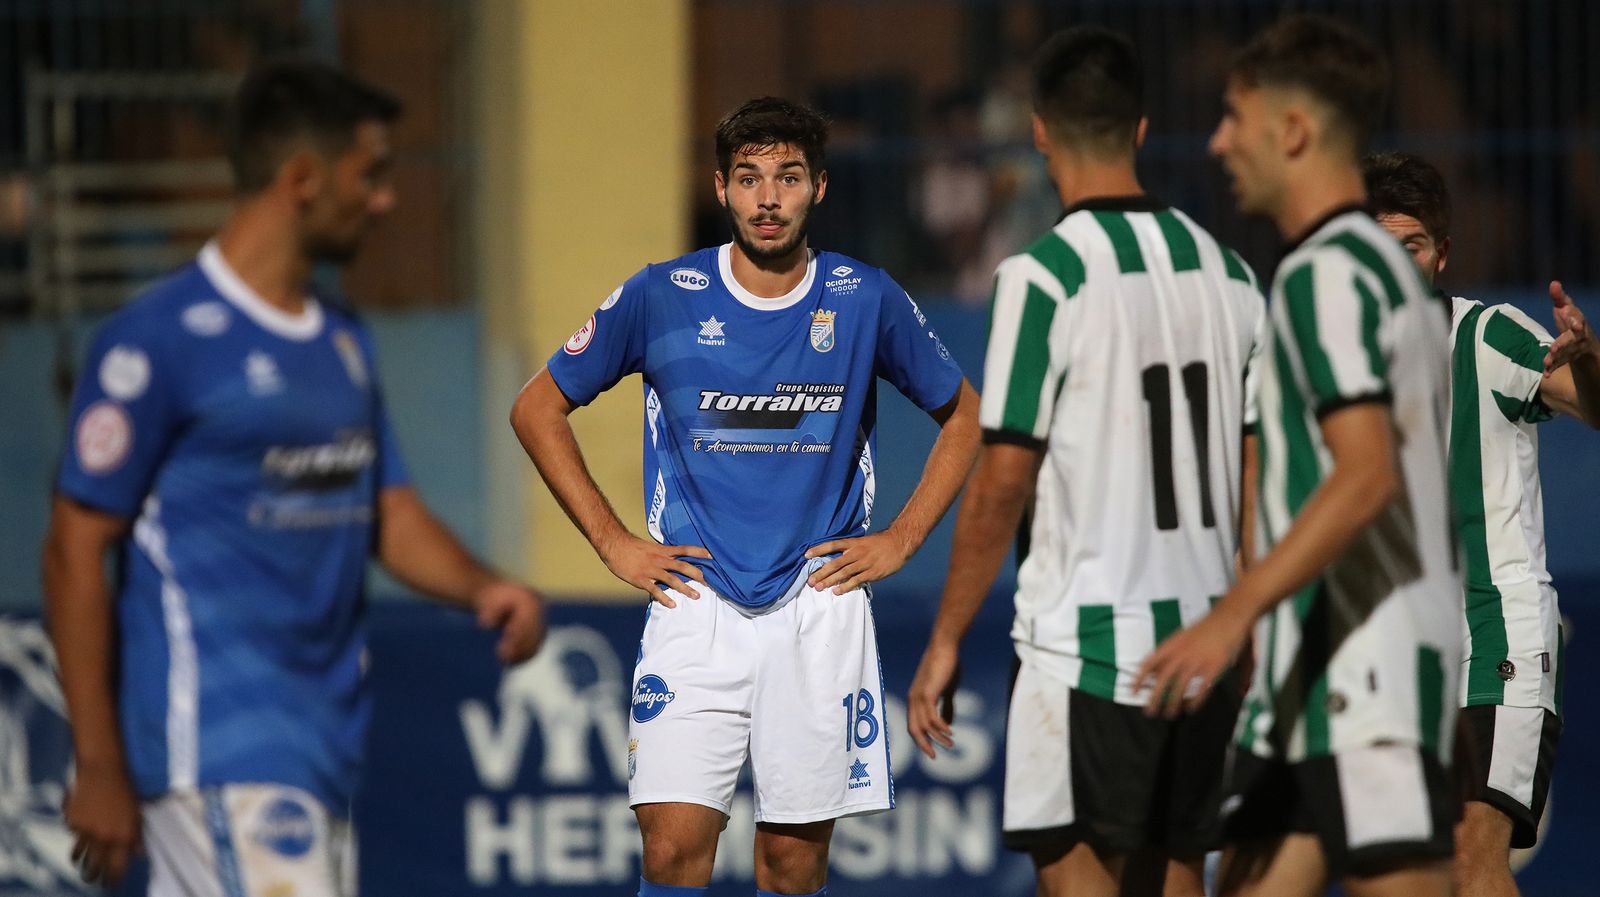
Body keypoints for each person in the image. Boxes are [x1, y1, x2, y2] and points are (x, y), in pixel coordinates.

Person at [42, 60, 546, 896]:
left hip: (320, 751)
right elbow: (72, 549)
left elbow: (386, 509)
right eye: (371, 175)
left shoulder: (341, 340)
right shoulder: (157, 342)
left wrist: (485, 587)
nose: (386, 199)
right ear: (302, 179)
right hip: (218, 745)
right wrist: (97, 761)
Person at [510, 96, 979, 897]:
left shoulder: (863, 297)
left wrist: (901, 537)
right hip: (696, 601)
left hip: (815, 605)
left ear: (820, 188)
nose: (769, 198)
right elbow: (536, 407)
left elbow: (965, 414)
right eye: (751, 177)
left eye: (789, 177)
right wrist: (613, 541)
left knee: (792, 866)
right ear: (721, 186)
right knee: (670, 851)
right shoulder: (663, 293)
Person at [904, 26, 1267, 897]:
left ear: (1037, 131)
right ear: (1140, 128)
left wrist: (946, 638)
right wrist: (1245, 620)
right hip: (1205, 649)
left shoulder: (1044, 277)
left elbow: (1002, 477)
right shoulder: (1231, 276)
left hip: (1082, 654)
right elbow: (1258, 471)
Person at [1137, 15, 1461, 897]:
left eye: (1234, 116)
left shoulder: (1331, 275)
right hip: (1320, 685)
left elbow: (1365, 475)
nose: (1218, 140)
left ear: (1292, 130)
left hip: (1366, 684)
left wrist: (1230, 611)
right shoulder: (1380, 276)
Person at [1362, 150, 1600, 897]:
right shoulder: (1332, 364)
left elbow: (1591, 405)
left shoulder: (1487, 335)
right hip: (1396, 654)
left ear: (1441, 255)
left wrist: (1588, 360)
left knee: (1471, 857)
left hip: (1496, 633)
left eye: (1413, 245)